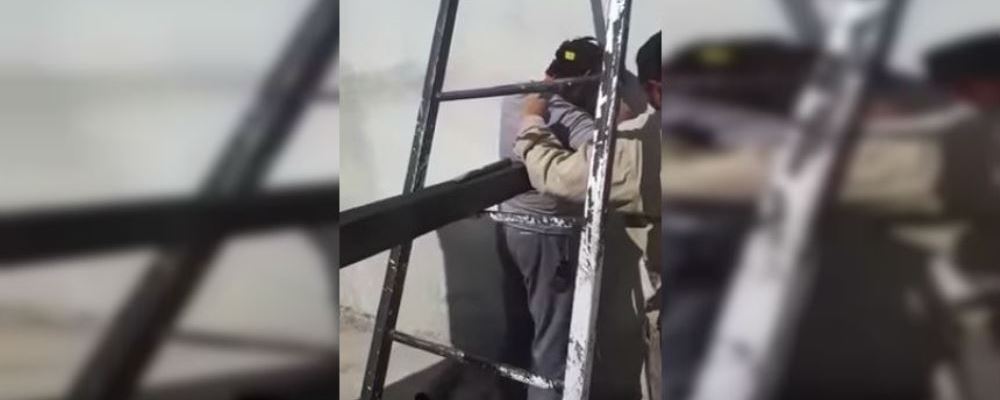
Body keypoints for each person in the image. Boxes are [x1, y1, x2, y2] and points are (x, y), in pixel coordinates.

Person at [514, 32, 663, 399]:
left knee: (549, 333)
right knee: (557, 341)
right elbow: (574, 167)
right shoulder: (557, 111)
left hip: (527, 228)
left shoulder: (525, 99)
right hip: (548, 233)